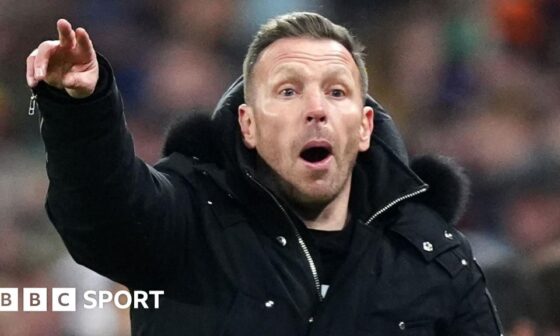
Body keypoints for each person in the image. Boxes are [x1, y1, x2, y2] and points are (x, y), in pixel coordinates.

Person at [26, 12, 503, 335]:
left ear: (363, 127)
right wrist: (81, 109)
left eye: (336, 92)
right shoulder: (188, 217)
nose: (315, 109)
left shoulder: (435, 254)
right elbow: (101, 218)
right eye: (289, 91)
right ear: (248, 125)